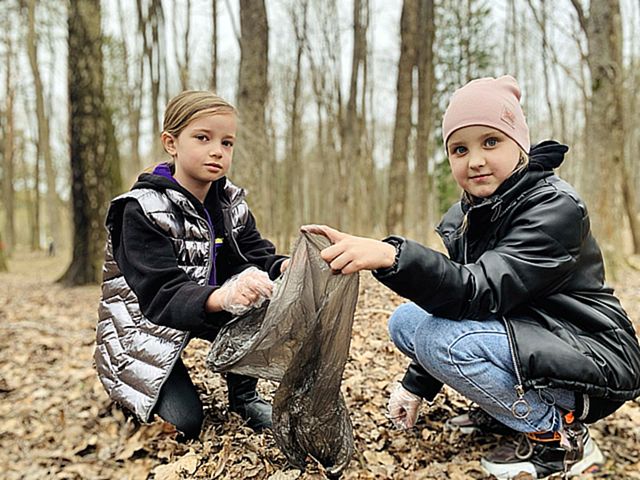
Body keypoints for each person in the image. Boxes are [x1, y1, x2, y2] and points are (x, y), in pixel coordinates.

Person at [303, 75, 640, 479]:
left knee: (433, 336)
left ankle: (562, 440)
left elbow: (478, 292)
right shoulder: (468, 215)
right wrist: (416, 386)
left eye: (491, 142)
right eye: (459, 149)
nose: (475, 160)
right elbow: (456, 307)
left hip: (590, 357)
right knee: (406, 322)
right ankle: (509, 415)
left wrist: (392, 255)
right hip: (533, 343)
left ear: (520, 146)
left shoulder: (555, 209)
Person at [95, 90, 289, 441]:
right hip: (142, 330)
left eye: (227, 143)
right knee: (185, 423)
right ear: (171, 143)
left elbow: (255, 253)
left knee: (260, 301)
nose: (217, 150)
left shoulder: (229, 202)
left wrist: (286, 266)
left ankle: (244, 396)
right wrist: (223, 297)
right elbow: (160, 294)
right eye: (203, 138)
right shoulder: (138, 210)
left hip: (202, 310)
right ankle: (126, 383)